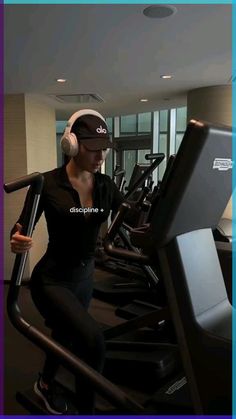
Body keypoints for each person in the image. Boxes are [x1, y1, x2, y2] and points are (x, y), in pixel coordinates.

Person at [10, 109, 124, 415]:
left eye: (104, 149)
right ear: (71, 145)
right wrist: (17, 238)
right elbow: (22, 227)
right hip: (52, 280)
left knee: (65, 336)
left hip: (85, 279)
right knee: (92, 341)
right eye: (93, 148)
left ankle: (44, 384)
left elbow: (130, 215)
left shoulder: (105, 186)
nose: (101, 156)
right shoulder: (46, 184)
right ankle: (87, 410)